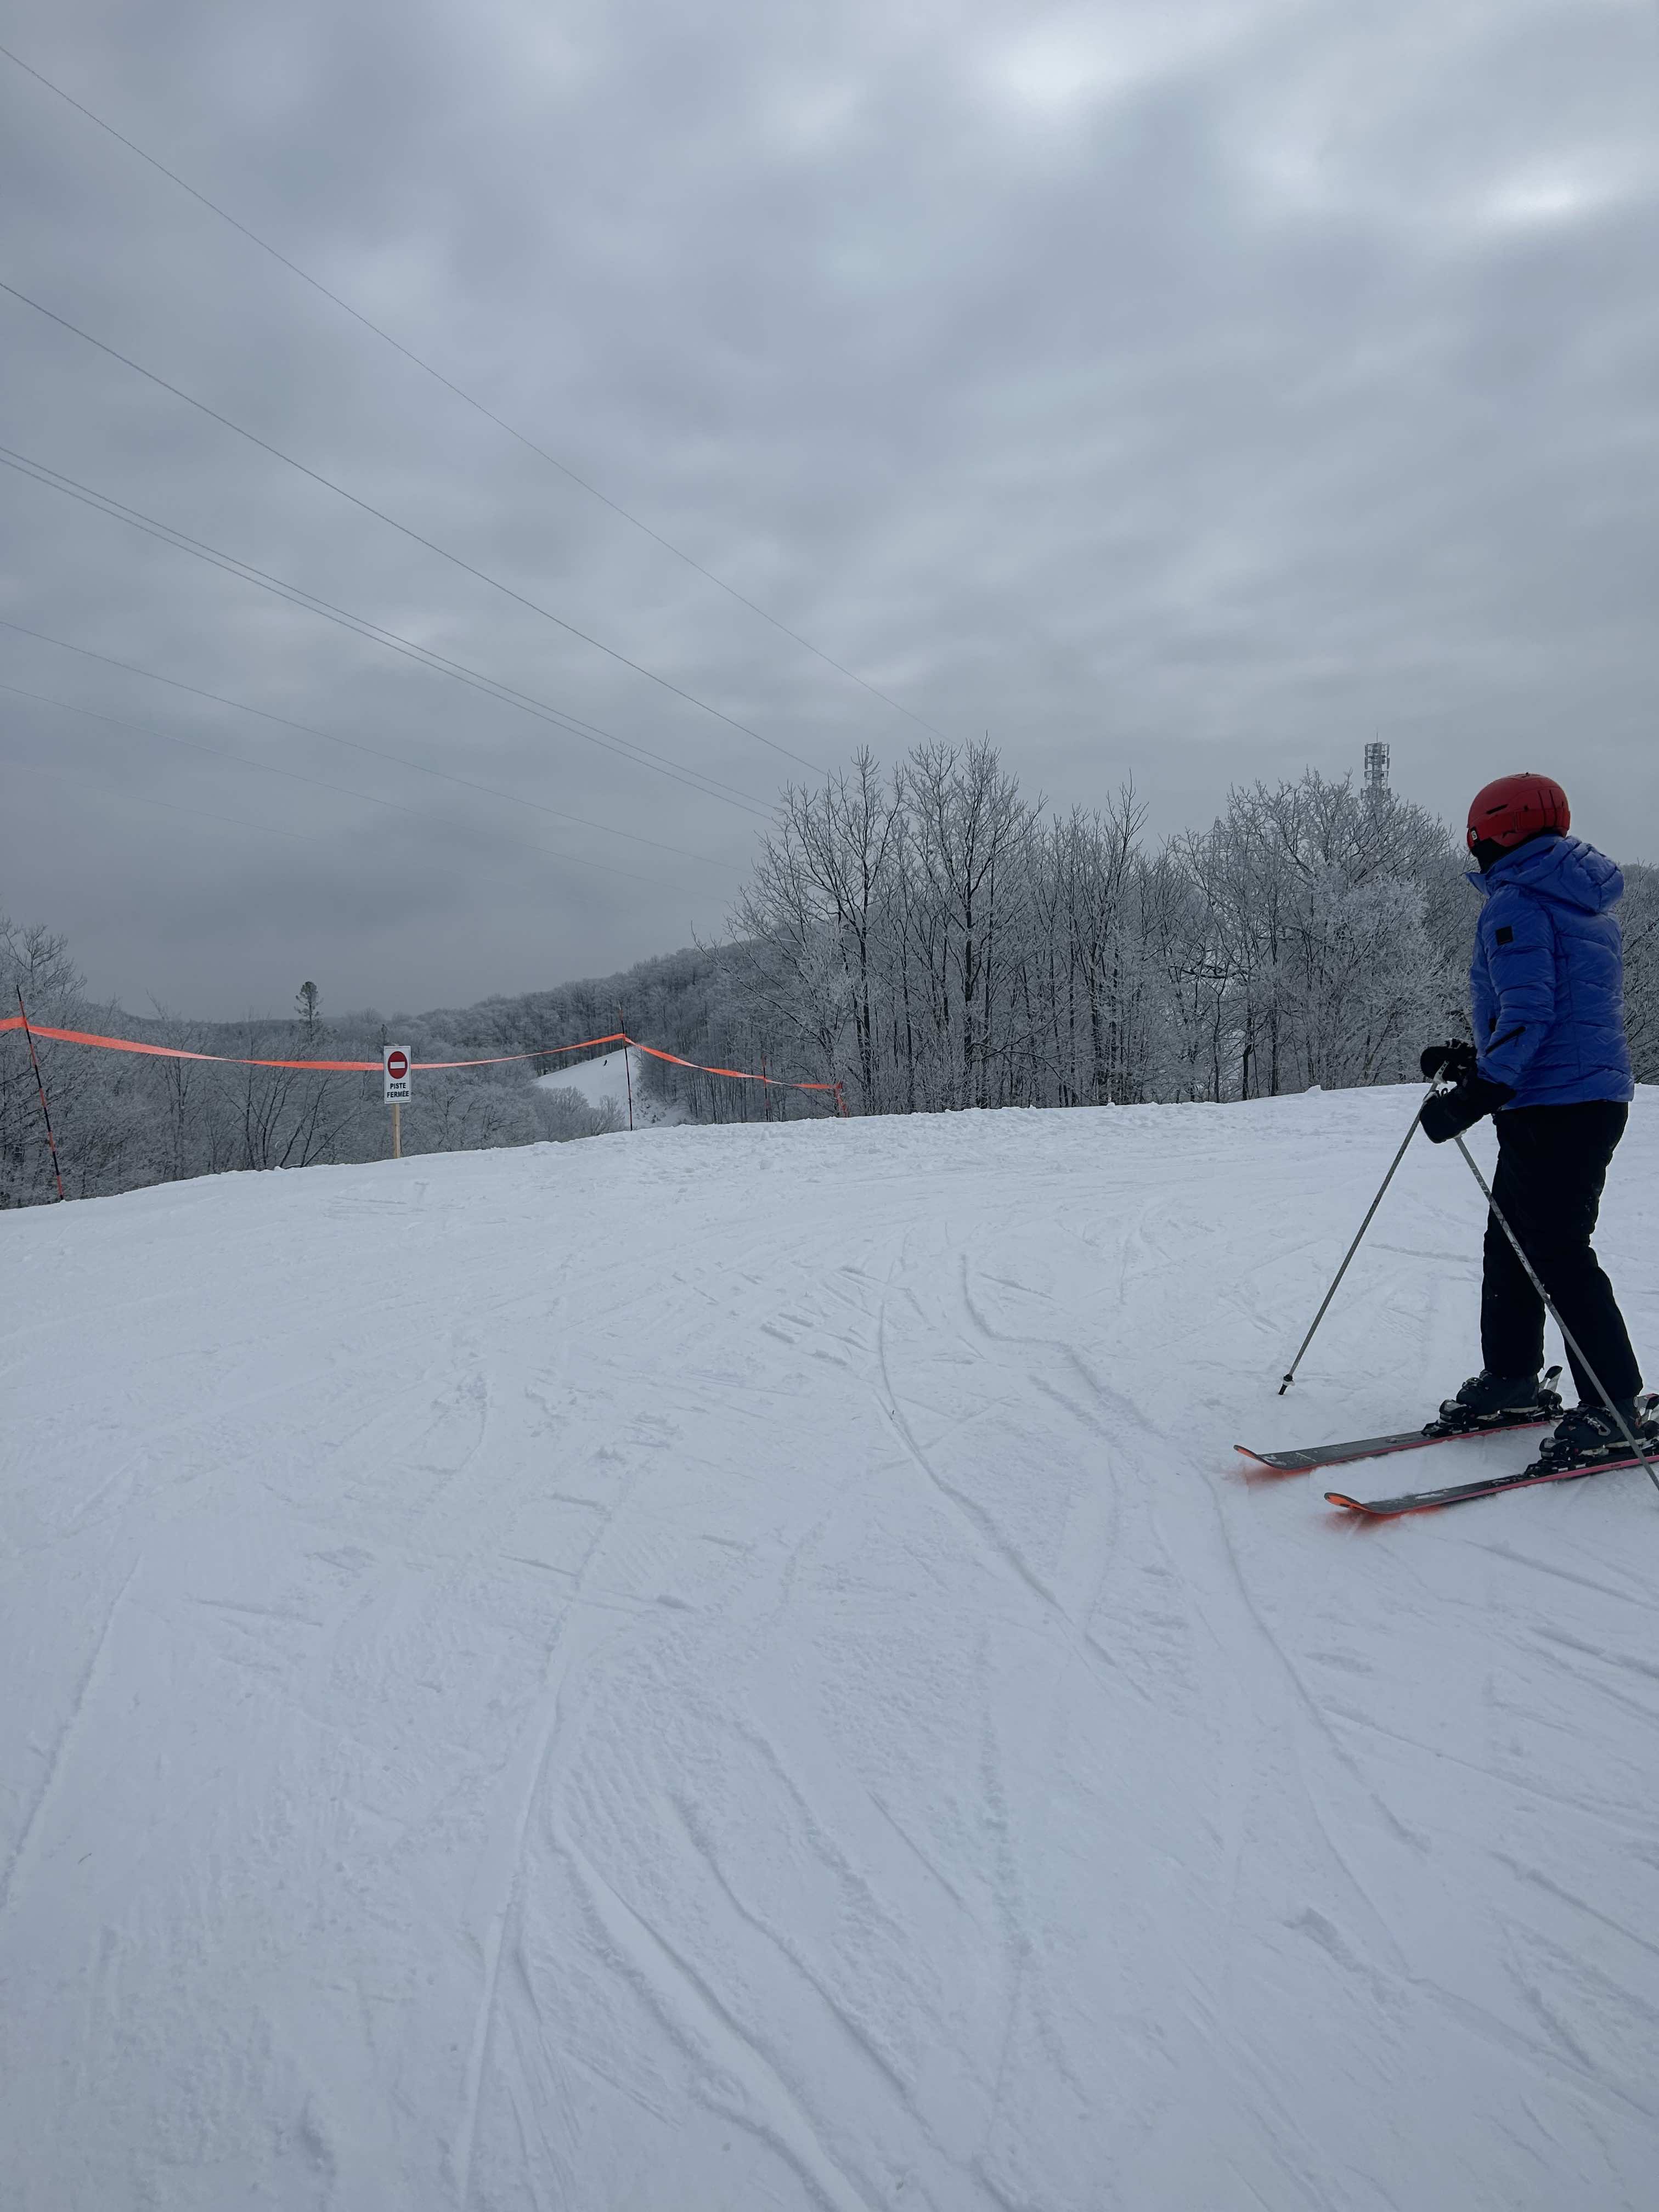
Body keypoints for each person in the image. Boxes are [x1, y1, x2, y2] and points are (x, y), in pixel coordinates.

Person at [1418, 771, 1647, 1459]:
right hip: (1576, 1096)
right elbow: (1560, 1005)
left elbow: (1531, 1011)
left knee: (1555, 1253)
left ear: (1495, 833)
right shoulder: (1579, 903)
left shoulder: (1515, 903)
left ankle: (1615, 1406)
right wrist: (1479, 1055)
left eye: (1479, 836)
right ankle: (1513, 1377)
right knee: (1515, 1244)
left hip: (1556, 1103)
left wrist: (1479, 1093)